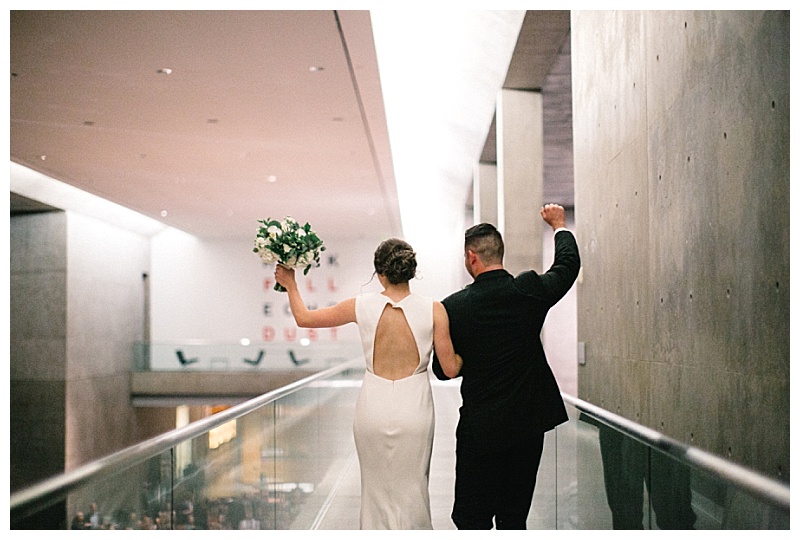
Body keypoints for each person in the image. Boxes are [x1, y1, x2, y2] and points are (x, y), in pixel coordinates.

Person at [275, 238, 462, 530]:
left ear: (380, 274)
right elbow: (450, 369)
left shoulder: (361, 306)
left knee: (375, 491)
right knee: (413, 489)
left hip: (372, 406)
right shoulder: (435, 309)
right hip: (415, 406)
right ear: (410, 270)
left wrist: (291, 284)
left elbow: (304, 318)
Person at [432, 203, 581, 529]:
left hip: (480, 429)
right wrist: (558, 225)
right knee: (514, 518)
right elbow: (567, 266)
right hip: (526, 427)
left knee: (473, 519)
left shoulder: (453, 307)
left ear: (472, 256)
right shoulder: (528, 291)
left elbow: (443, 371)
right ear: (499, 252)